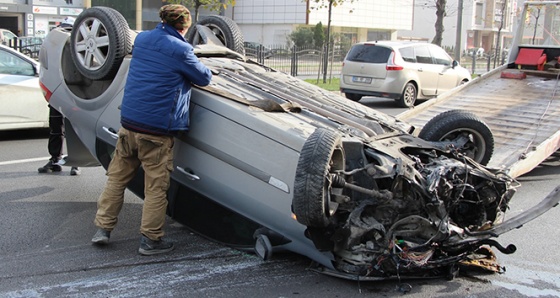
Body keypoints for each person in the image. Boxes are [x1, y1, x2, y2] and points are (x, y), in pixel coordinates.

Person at [91, 4, 212, 256]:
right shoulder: (181, 49)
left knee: (116, 178)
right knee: (155, 187)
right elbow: (204, 78)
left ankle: (102, 229)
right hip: (157, 131)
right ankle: (150, 240)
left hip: (129, 124)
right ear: (184, 26)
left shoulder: (143, 39)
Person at [38, 17, 80, 176]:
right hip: (57, 92)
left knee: (74, 129)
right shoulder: (55, 48)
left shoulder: (78, 47)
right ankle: (55, 158)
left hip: (74, 93)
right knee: (56, 128)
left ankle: (76, 161)